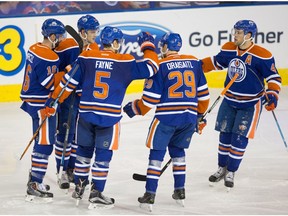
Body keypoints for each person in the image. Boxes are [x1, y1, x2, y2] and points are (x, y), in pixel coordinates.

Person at [44, 26, 159, 209]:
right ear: (114, 43)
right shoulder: (125, 61)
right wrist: (148, 47)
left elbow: (68, 83)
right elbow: (152, 67)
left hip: (86, 115)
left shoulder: (86, 58)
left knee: (83, 152)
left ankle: (80, 186)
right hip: (109, 118)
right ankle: (96, 192)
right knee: (103, 156)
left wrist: (53, 102)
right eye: (119, 42)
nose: (120, 45)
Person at [123, 32, 210, 211]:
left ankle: (150, 194)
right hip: (188, 117)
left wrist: (134, 108)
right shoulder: (194, 62)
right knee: (178, 152)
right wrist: (199, 116)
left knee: (156, 155)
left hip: (166, 118)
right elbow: (204, 95)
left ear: (163, 47)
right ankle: (180, 190)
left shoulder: (159, 66)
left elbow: (150, 100)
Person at [201, 20, 282, 190]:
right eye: (235, 31)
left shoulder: (263, 55)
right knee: (224, 135)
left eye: (238, 32)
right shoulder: (229, 48)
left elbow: (274, 77)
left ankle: (231, 171)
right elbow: (216, 62)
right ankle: (221, 168)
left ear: (249, 35)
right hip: (229, 99)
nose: (234, 35)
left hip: (250, 104)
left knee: (239, 138)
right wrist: (194, 66)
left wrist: (273, 95)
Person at [19, 18, 66, 202]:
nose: (61, 39)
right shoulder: (50, 56)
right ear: (52, 36)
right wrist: (68, 71)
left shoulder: (33, 48)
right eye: (59, 36)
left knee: (41, 141)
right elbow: (49, 83)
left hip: (31, 102)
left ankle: (34, 178)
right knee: (46, 144)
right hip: (42, 105)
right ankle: (35, 183)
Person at [53, 14, 100, 190]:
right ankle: (61, 170)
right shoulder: (67, 46)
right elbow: (55, 69)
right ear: (82, 32)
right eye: (91, 31)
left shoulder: (95, 48)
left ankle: (72, 168)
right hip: (68, 98)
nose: (95, 34)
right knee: (65, 134)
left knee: (76, 137)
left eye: (96, 30)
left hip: (85, 99)